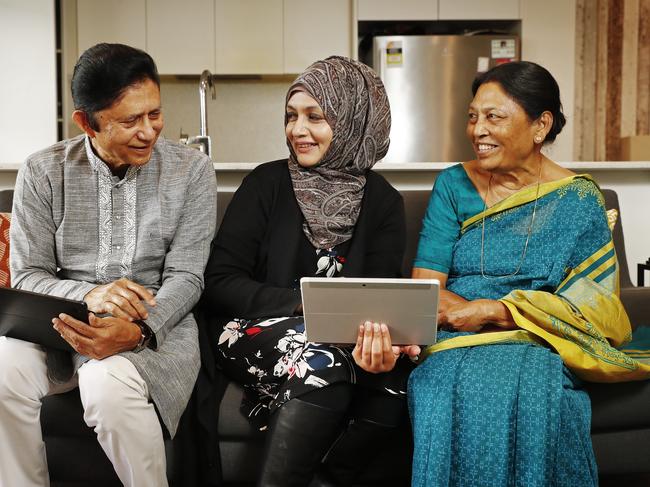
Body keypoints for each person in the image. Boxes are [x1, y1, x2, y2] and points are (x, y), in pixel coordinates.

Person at [409, 60, 650, 486]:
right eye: (472, 117)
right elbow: (425, 288)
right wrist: (464, 312)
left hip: (539, 335)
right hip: (454, 331)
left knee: (535, 386)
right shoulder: (452, 185)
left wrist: (495, 311)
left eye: (494, 117)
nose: (477, 130)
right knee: (439, 382)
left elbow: (594, 310)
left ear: (541, 125)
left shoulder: (578, 199)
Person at [0, 43, 217, 486]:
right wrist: (91, 295)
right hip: (58, 324)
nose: (148, 132)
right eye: (129, 120)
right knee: (1, 368)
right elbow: (27, 274)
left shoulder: (192, 170)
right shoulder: (43, 171)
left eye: (154, 114)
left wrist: (139, 331)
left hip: (157, 325)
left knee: (107, 386)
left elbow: (188, 276)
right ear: (86, 122)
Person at [199, 56, 419, 487]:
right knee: (325, 364)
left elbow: (377, 296)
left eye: (314, 117)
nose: (297, 130)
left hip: (344, 338)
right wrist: (306, 306)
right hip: (249, 328)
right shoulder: (265, 184)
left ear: (354, 120)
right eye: (291, 116)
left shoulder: (384, 202)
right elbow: (219, 281)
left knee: (399, 382)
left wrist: (382, 341)